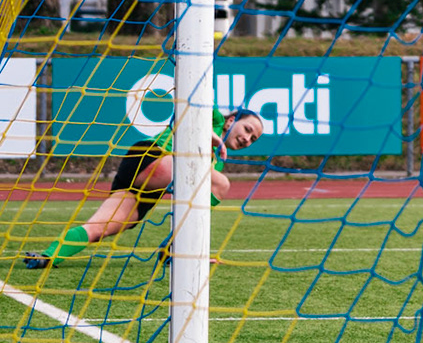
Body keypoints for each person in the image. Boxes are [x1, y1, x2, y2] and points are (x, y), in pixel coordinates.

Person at [23, 108, 268, 270]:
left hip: (146, 188)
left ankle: (46, 256)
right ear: (231, 120)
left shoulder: (219, 161)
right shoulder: (213, 118)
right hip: (150, 158)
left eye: (253, 139)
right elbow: (186, 109)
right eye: (247, 130)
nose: (247, 139)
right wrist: (206, 133)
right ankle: (180, 249)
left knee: (99, 228)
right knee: (221, 184)